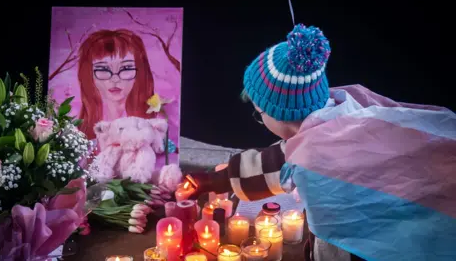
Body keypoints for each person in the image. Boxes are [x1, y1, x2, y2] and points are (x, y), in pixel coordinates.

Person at [186, 24, 456, 261]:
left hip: (357, 247)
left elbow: (284, 164)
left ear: (282, 114)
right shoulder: (344, 109)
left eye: (260, 113)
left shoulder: (316, 153)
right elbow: (275, 162)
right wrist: (212, 181)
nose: (260, 118)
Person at [77, 29, 156, 140]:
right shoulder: (78, 130)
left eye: (126, 68)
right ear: (89, 74)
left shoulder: (153, 125)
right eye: (103, 69)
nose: (115, 79)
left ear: (140, 72)